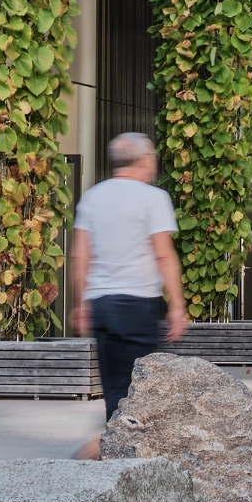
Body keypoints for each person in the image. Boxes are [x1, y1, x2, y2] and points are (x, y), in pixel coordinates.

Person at [70, 133, 187, 457]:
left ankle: (112, 458)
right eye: (151, 157)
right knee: (143, 395)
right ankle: (90, 457)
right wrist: (176, 306)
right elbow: (164, 255)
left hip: (103, 305)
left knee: (116, 392)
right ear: (143, 160)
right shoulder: (152, 198)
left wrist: (81, 304)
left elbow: (81, 256)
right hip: (138, 305)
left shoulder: (92, 197)